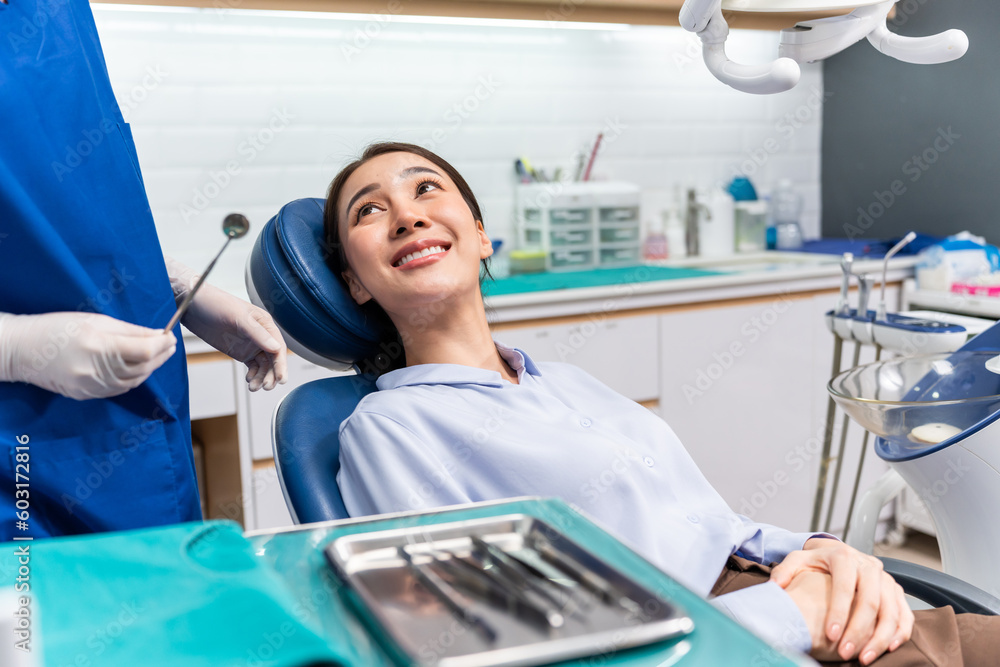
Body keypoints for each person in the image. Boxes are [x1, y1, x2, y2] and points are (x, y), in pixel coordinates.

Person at [323, 141, 1000, 666]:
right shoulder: (388, 428)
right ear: (354, 282)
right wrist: (785, 613)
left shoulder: (562, 379)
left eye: (425, 188)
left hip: (779, 590)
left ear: (479, 234)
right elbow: (473, 642)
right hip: (711, 639)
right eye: (370, 209)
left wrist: (829, 552)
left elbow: (708, 520)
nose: (407, 213)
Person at [0, 0, 287, 540]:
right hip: (16, 449)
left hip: (141, 436)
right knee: (31, 622)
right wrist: (16, 346)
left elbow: (70, 205)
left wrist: (169, 284)